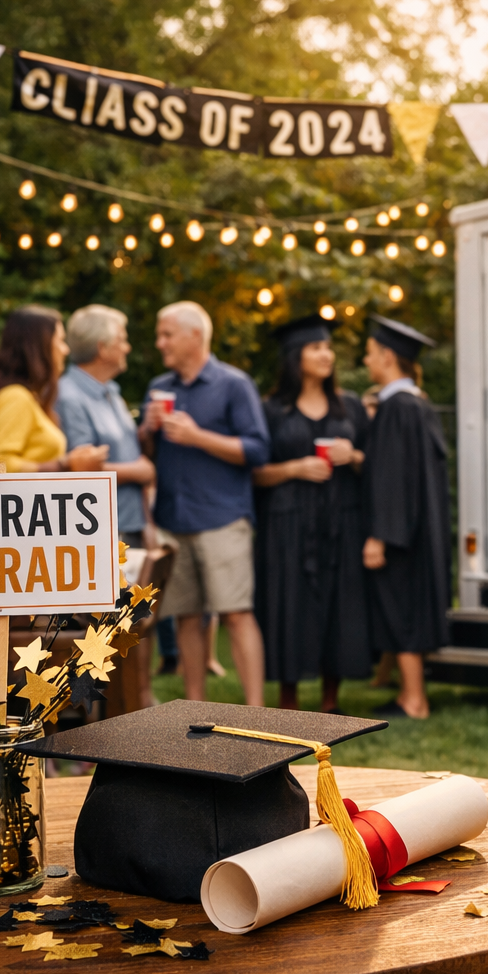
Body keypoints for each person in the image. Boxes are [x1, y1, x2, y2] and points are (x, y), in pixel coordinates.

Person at [138, 301, 271, 705]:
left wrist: (198, 437)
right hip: (173, 520)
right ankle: (194, 709)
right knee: (186, 616)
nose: (160, 343)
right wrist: (147, 430)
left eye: (167, 335)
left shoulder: (234, 384)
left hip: (222, 518)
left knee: (236, 613)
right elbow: (148, 452)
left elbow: (258, 449)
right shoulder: (160, 387)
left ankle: (256, 713)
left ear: (195, 336)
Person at [254, 317, 370, 713]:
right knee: (291, 603)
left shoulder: (350, 406)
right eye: (315, 348)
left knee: (339, 603)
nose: (326, 354)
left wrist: (352, 456)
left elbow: (376, 464)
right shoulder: (272, 410)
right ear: (294, 357)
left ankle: (330, 700)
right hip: (287, 522)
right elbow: (253, 472)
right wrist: (294, 469)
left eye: (328, 347)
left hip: (341, 521)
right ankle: (288, 697)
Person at [360, 316, 451, 719]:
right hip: (421, 528)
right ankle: (408, 696)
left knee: (402, 607)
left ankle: (413, 700)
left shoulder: (397, 408)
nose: (366, 361)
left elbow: (392, 477)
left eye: (369, 353)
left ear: (388, 356)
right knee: (407, 605)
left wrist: (380, 535)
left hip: (399, 533)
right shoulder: (419, 405)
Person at [55, 305, 156, 547]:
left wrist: (147, 430)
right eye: (122, 340)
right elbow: (82, 467)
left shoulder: (111, 390)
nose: (127, 348)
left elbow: (125, 449)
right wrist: (140, 472)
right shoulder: (68, 396)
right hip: (102, 532)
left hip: (131, 524)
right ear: (102, 347)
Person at [0, 306, 109, 474]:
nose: (65, 350)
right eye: (60, 341)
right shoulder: (15, 397)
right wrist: (65, 465)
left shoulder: (30, 398)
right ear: (39, 347)